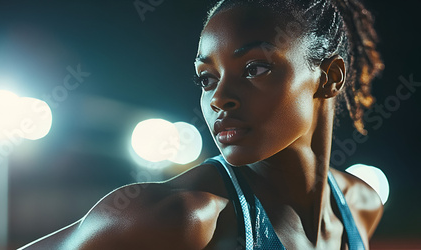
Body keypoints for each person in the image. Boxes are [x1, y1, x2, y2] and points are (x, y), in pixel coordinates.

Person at [19, 0, 384, 249]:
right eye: (207, 78)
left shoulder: (361, 206)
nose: (218, 97)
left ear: (330, 77)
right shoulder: (183, 217)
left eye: (254, 68)